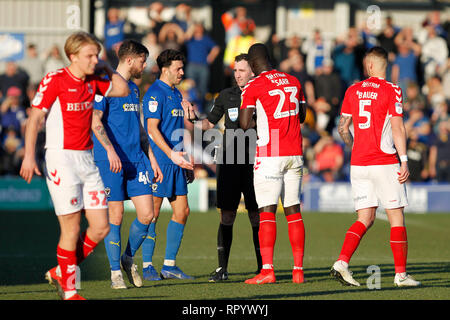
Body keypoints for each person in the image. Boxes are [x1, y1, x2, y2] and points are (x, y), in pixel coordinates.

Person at [19, 31, 129, 300]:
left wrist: (104, 67)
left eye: (97, 54)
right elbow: (34, 119)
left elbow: (123, 89)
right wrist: (29, 156)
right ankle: (70, 291)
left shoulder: (95, 78)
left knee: (101, 227)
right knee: (71, 229)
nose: (95, 59)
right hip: (60, 158)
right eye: (89, 55)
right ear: (72, 56)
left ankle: (61, 270)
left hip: (86, 159)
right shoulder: (55, 80)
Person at [331, 46, 421, 287]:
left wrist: (354, 145)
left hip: (359, 164)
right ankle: (400, 275)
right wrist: (404, 160)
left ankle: (342, 262)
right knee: (396, 218)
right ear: (384, 65)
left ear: (369, 66)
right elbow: (398, 127)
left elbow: (343, 128)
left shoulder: (352, 89)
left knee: (365, 218)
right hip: (384, 162)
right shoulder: (392, 89)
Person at [91, 40, 163, 289]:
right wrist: (109, 150)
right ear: (130, 60)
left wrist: (151, 157)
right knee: (116, 215)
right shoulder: (105, 86)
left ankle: (127, 258)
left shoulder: (133, 88)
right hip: (110, 159)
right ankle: (115, 274)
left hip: (137, 159)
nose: (146, 65)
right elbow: (95, 119)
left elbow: (139, 127)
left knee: (147, 214)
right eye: (144, 60)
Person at [239, 43, 307, 284]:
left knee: (267, 211)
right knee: (293, 211)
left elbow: (244, 124)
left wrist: (259, 120)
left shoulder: (253, 85)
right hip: (295, 152)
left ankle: (267, 270)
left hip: (270, 153)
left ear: (253, 64)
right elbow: (302, 116)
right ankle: (298, 271)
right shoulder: (293, 80)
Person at [192, 53, 262, 282]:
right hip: (230, 162)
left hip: (255, 163)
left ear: (252, 71)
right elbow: (209, 123)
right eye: (235, 70)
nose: (237, 74)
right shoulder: (226, 95)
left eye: (242, 70)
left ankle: (264, 268)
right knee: (227, 215)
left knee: (256, 216)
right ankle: (222, 269)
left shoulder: (262, 94)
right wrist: (192, 119)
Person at [141, 49, 195, 280]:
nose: (182, 72)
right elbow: (151, 129)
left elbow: (180, 128)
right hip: (160, 161)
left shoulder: (176, 93)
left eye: (182, 68)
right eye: (178, 68)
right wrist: (171, 155)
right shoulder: (155, 93)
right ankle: (145, 265)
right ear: (165, 70)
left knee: (182, 211)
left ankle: (169, 265)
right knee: (151, 214)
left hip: (176, 160)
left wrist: (186, 154)